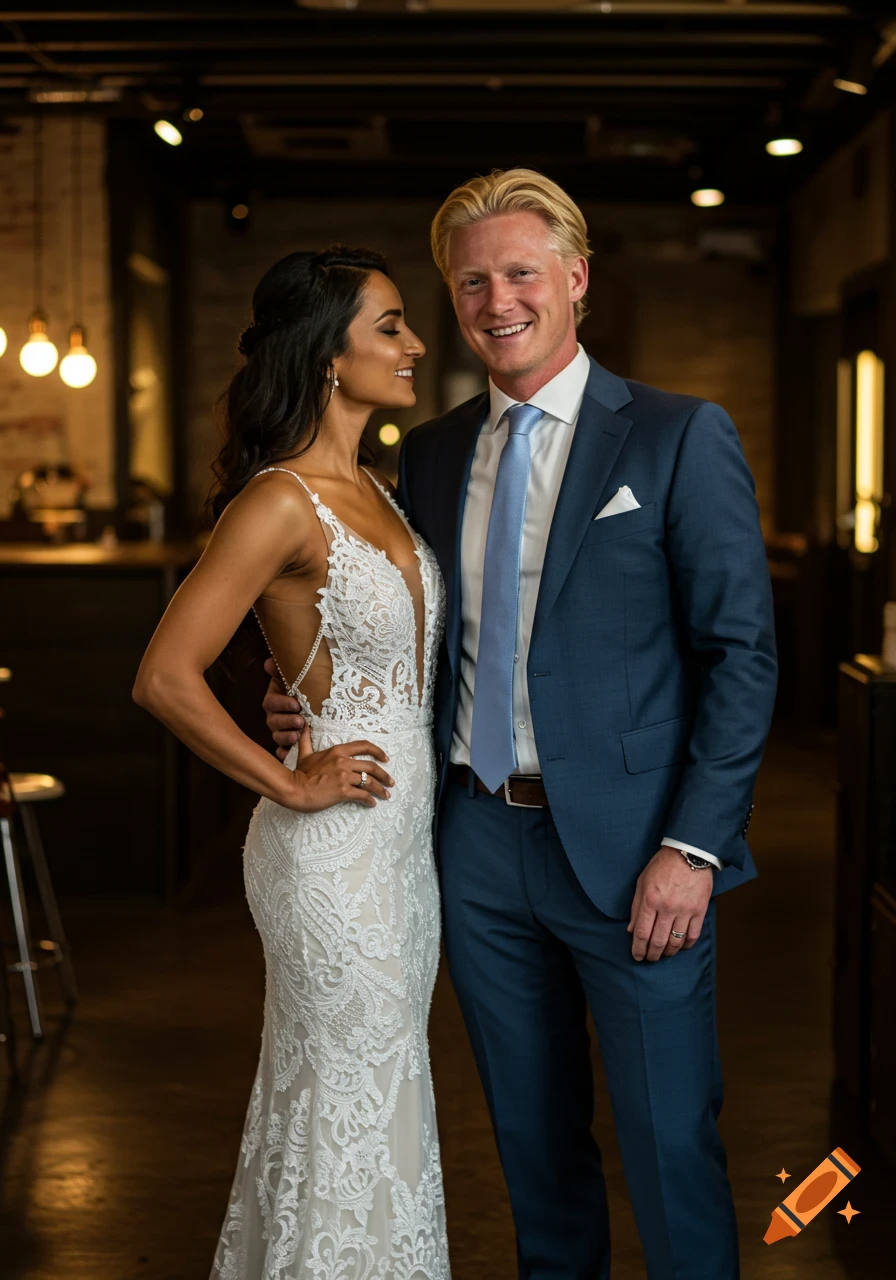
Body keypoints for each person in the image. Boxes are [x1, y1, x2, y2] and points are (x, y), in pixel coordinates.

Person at [265, 171, 778, 1280]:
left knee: (667, 1141)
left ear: (575, 280)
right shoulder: (431, 453)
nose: (497, 299)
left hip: (640, 850)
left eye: (519, 273)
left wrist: (692, 847)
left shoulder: (680, 436)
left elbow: (742, 657)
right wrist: (311, 692)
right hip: (475, 846)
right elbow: (405, 629)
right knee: (534, 1151)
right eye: (470, 281)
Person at [133, 246, 451, 1279]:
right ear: (328, 357)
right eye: (391, 326)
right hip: (325, 856)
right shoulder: (278, 502)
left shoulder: (374, 487)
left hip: (403, 854)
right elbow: (165, 675)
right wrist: (288, 776)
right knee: (347, 1095)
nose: (413, 345)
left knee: (372, 1092)